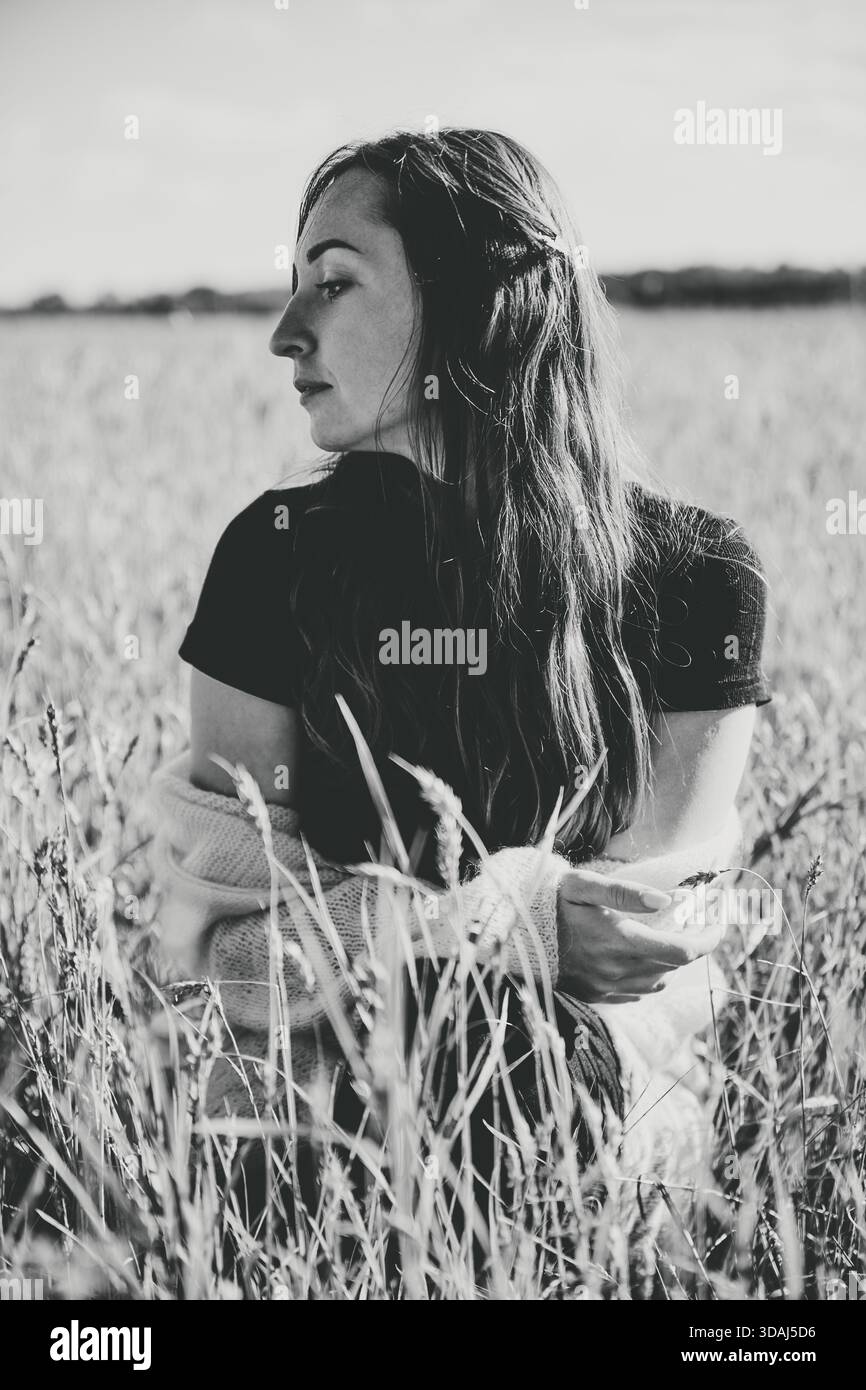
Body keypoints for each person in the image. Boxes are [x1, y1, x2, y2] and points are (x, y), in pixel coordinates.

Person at [148, 128, 772, 1268]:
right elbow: (223, 956)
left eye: (333, 284)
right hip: (306, 1145)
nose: (287, 335)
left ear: (480, 305)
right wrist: (507, 922)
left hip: (590, 1165)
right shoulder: (273, 561)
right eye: (294, 288)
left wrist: (480, 970)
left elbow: (650, 962)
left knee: (514, 1038)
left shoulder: (691, 578)